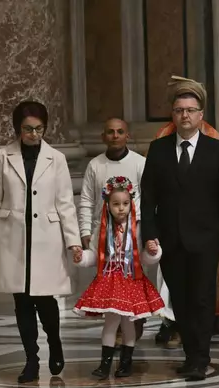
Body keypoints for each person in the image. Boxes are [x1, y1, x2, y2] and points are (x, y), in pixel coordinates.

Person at [141, 78, 219, 381]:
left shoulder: (217, 150)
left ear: (200, 116)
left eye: (190, 110)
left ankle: (201, 358)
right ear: (173, 115)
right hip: (170, 240)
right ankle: (190, 354)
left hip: (206, 240)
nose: (185, 115)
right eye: (179, 110)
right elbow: (148, 198)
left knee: (201, 298)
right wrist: (149, 234)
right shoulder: (157, 150)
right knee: (180, 301)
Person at [0, 101, 83, 383]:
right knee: (22, 301)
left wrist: (73, 241)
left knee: (45, 299)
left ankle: (55, 341)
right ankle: (31, 360)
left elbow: (65, 204)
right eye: (28, 129)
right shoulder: (4, 156)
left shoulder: (57, 159)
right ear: (18, 129)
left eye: (39, 129)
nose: (34, 134)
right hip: (13, 237)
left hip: (46, 238)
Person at [74, 176, 164, 379]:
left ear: (131, 203)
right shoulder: (102, 229)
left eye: (125, 203)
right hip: (109, 280)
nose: (121, 208)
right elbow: (94, 257)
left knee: (127, 323)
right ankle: (105, 364)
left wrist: (152, 251)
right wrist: (82, 257)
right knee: (111, 323)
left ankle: (126, 362)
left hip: (131, 279)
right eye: (116, 204)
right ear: (108, 205)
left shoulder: (138, 229)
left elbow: (143, 258)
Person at [78, 118, 147, 344]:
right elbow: (87, 200)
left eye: (120, 132)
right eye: (110, 132)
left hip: (133, 237)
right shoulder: (95, 165)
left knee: (132, 284)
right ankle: (115, 327)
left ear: (128, 136)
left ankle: (133, 325)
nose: (115, 136)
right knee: (109, 285)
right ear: (103, 137)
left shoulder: (140, 163)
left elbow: (148, 199)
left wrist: (146, 234)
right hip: (103, 237)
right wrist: (86, 231)